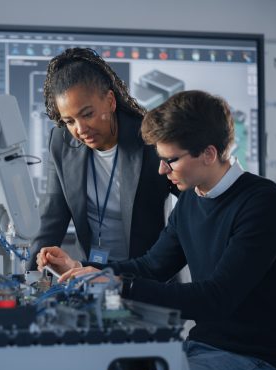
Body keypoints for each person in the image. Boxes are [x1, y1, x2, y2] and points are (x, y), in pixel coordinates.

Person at [37, 90, 276, 370]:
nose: (161, 170)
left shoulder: (264, 205)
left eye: (170, 160)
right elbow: (152, 266)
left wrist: (121, 285)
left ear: (209, 154)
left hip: (255, 361)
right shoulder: (190, 200)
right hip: (201, 348)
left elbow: (216, 299)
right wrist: (85, 269)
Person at [28, 47, 174, 270]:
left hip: (147, 276)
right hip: (89, 272)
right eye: (69, 121)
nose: (80, 129)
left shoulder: (150, 140)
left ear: (110, 101)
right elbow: (51, 219)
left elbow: (194, 205)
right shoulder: (61, 142)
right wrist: (29, 279)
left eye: (87, 114)